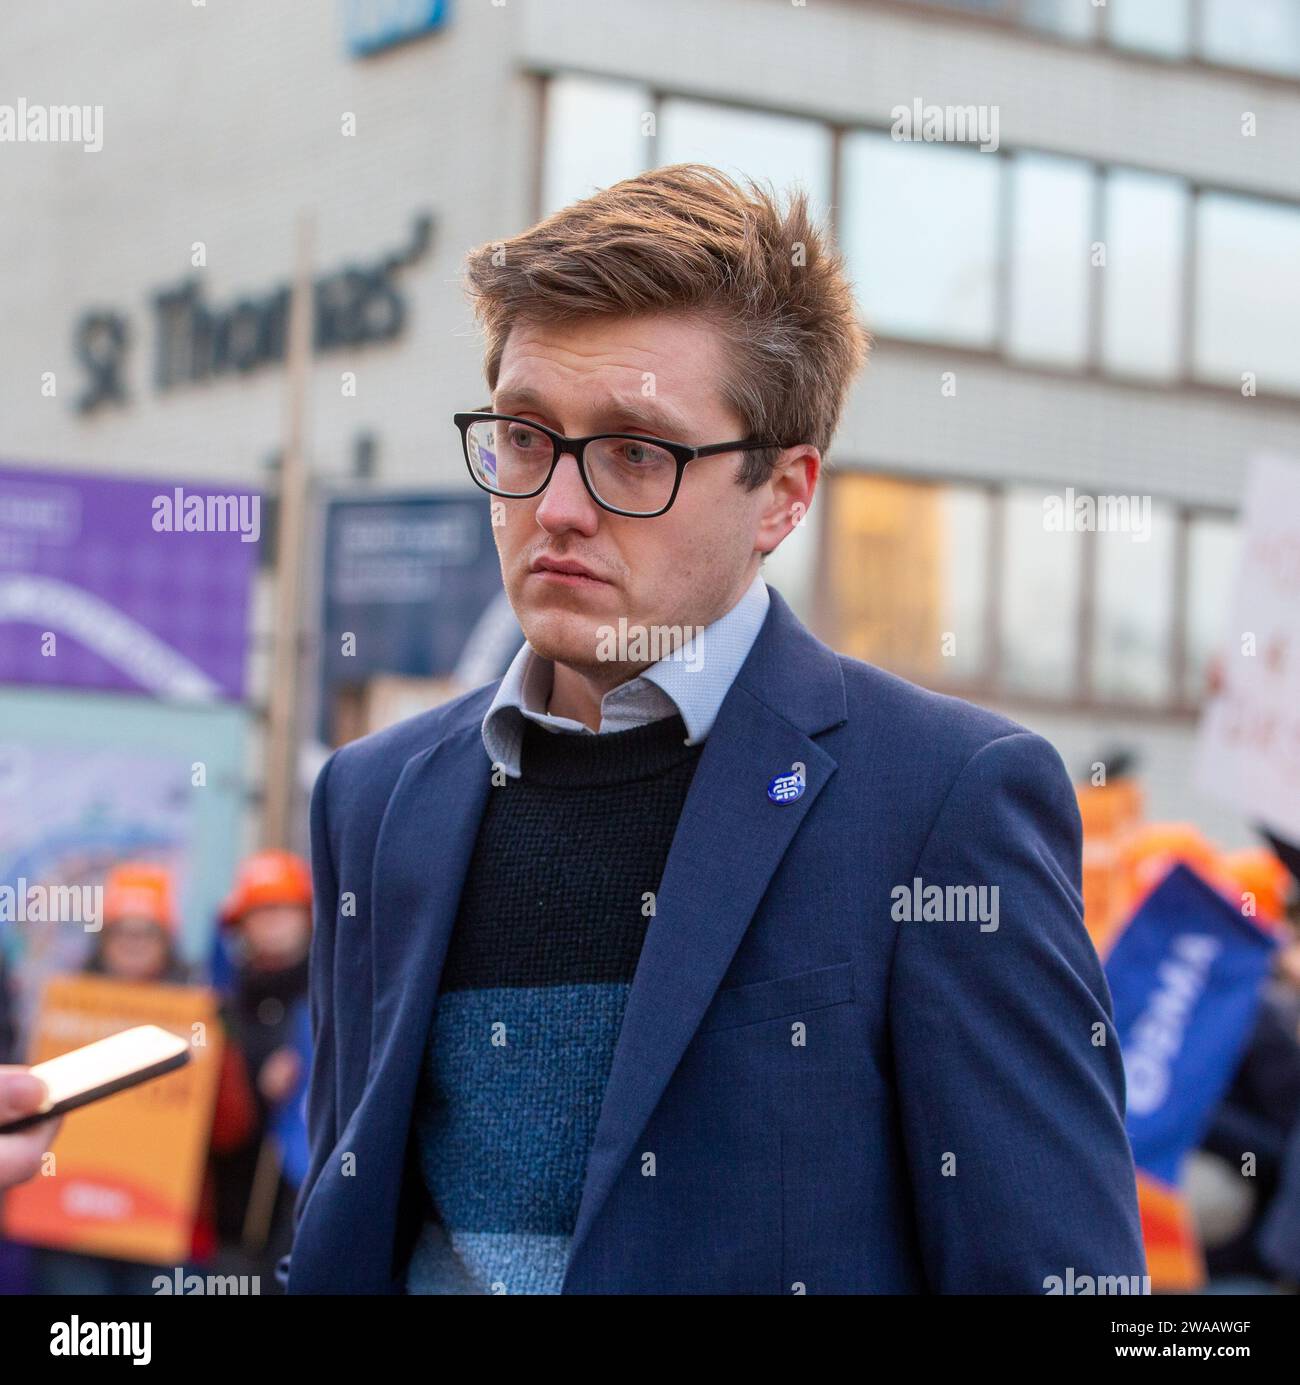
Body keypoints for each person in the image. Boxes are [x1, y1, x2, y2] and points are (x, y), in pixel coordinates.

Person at [284, 164, 1146, 1294]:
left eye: (636, 451)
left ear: (784, 493)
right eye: (525, 435)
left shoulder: (944, 801)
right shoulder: (374, 794)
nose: (555, 506)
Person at [211, 850, 312, 1291]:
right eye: (260, 912)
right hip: (231, 1203)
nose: (272, 923)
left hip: (298, 1197)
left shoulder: (335, 990)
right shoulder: (220, 995)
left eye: (283, 909)